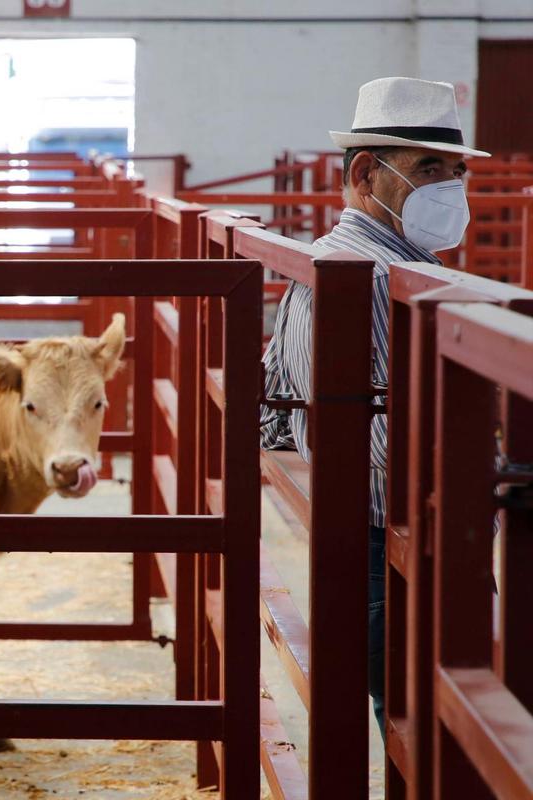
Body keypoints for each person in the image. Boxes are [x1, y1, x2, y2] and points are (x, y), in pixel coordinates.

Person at [259, 77, 489, 736]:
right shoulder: (382, 280)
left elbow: (273, 406)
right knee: (444, 739)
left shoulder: (327, 262)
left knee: (424, 737)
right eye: (428, 169)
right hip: (404, 561)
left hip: (379, 554)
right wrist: (497, 457)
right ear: (366, 174)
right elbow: (393, 444)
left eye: (455, 170)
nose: (449, 186)